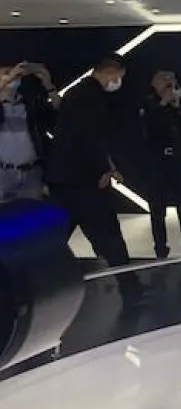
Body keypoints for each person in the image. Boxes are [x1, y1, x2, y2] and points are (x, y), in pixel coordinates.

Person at [47, 56, 143, 299]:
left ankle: (40, 287)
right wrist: (102, 169)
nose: (118, 81)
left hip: (64, 178)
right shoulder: (91, 97)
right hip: (83, 179)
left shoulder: (77, 94)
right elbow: (89, 138)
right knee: (108, 234)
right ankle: (130, 288)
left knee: (57, 235)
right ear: (111, 72)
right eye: (118, 76)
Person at [141, 70, 181, 259]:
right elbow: (151, 128)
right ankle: (160, 249)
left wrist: (177, 106)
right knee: (157, 209)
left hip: (178, 161)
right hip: (156, 162)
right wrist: (163, 103)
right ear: (155, 83)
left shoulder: (180, 103)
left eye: (172, 81)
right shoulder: (149, 103)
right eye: (165, 81)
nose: (169, 85)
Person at [0, 61, 59, 202]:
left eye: (16, 74)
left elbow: (60, 112)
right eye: (6, 73)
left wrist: (47, 82)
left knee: (32, 211)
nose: (13, 76)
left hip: (32, 173)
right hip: (3, 174)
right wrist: (8, 79)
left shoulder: (30, 104)